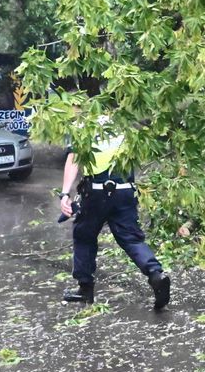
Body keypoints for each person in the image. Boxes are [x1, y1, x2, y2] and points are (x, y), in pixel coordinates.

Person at [59, 123, 170, 310]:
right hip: (126, 191)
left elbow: (74, 158)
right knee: (132, 239)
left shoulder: (83, 125)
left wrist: (64, 193)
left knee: (84, 236)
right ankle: (155, 274)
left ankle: (85, 288)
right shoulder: (125, 123)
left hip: (96, 193)